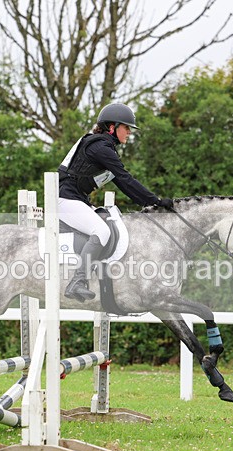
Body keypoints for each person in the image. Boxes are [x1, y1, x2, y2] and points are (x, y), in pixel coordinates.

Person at [58, 102, 173, 302]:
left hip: (74, 198)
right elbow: (125, 179)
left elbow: (122, 182)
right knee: (101, 231)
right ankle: (78, 280)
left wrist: (147, 203)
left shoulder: (100, 144)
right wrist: (154, 201)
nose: (129, 132)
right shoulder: (100, 147)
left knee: (111, 220)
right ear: (112, 127)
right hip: (65, 199)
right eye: (126, 127)